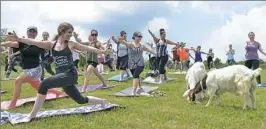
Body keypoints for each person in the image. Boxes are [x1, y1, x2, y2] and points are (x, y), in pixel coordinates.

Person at [4, 22, 109, 122]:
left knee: (44, 84)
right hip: (62, 76)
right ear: (62, 32)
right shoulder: (51, 44)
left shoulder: (71, 44)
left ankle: (32, 115)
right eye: (69, 32)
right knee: (80, 100)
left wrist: (102, 51)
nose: (70, 35)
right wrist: (18, 39)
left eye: (71, 33)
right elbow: (32, 42)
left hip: (70, 74)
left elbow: (87, 47)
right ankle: (102, 102)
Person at [1, 26, 63, 109]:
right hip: (27, 69)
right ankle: (57, 92)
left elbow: (50, 43)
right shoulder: (21, 43)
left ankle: (13, 104)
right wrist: (4, 42)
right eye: (30, 31)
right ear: (27, 33)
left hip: (36, 69)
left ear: (36, 34)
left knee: (18, 81)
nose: (32, 33)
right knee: (39, 88)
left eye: (34, 32)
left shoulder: (39, 44)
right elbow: (10, 44)